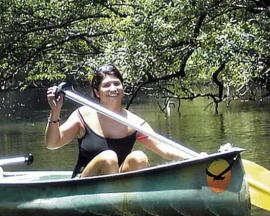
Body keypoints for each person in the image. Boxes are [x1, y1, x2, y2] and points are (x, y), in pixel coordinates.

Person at [45, 64, 188, 177]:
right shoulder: (82, 115)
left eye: (116, 83)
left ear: (122, 87)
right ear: (97, 92)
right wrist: (55, 110)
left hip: (118, 184)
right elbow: (52, 144)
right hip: (85, 182)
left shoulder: (134, 122)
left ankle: (128, 202)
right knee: (109, 157)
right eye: (106, 85)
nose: (113, 88)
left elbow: (165, 149)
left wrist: (193, 159)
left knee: (139, 157)